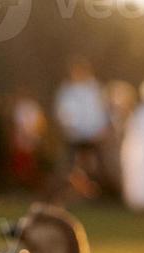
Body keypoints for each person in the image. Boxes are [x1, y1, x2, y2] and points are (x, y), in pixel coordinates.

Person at [53, 60, 110, 196]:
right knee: (71, 166)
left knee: (96, 166)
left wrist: (101, 129)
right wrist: (68, 127)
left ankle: (99, 194)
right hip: (74, 136)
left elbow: (102, 111)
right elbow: (62, 112)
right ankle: (70, 192)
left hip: (94, 135)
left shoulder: (95, 89)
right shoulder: (67, 91)